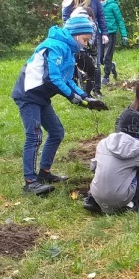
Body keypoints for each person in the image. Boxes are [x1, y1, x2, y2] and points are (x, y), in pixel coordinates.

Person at [11, 15, 99, 196]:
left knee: (57, 132)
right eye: (84, 39)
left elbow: (67, 79)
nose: (85, 44)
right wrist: (72, 97)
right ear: (75, 35)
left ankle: (44, 174)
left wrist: (85, 97)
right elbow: (52, 78)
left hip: (41, 96)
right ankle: (30, 182)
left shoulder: (69, 49)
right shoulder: (54, 46)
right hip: (28, 95)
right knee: (34, 136)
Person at [62, 0, 108, 91]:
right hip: (76, 37)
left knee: (95, 63)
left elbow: (101, 16)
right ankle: (74, 89)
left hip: (92, 35)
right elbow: (66, 18)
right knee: (76, 62)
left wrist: (104, 33)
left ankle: (96, 89)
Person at [95, 0, 127, 85]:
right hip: (100, 34)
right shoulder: (96, 6)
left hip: (110, 34)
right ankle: (111, 66)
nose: (100, 1)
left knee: (107, 57)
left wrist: (124, 35)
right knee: (99, 58)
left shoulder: (113, 5)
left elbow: (119, 20)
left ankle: (106, 76)